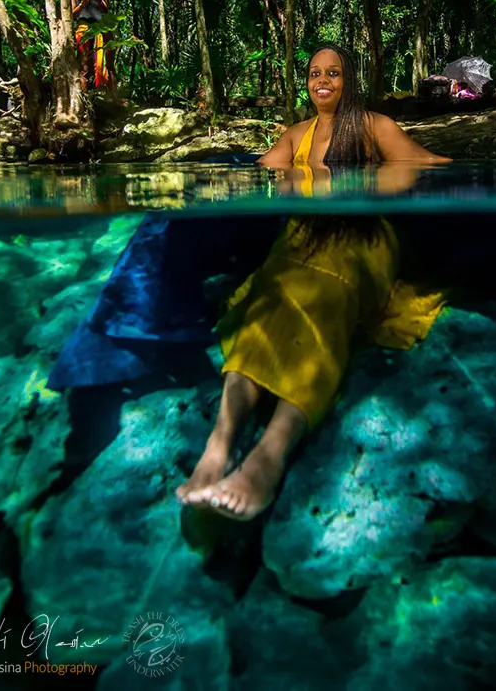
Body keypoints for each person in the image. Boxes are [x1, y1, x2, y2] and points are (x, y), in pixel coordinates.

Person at [176, 43, 452, 521]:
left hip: (364, 242)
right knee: (271, 295)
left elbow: (430, 166)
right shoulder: (295, 135)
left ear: (350, 81)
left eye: (334, 73)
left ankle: (269, 455)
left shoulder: (374, 126)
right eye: (314, 73)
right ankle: (218, 446)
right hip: (302, 238)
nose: (322, 80)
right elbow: (253, 179)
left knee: (325, 299)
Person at [71, 0, 115, 92]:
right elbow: (72, 15)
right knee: (85, 67)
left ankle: (111, 97)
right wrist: (83, 3)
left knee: (108, 66)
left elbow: (106, 10)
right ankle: (85, 100)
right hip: (84, 29)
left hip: (102, 29)